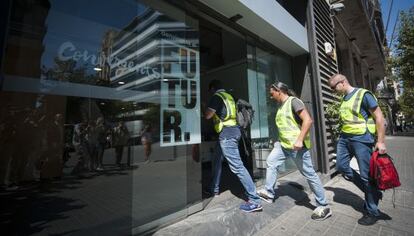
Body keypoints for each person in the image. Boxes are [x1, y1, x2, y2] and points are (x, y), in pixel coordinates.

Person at [256, 82, 332, 220]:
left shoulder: (294, 102)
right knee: (271, 162)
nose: (271, 96)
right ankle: (269, 192)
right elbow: (286, 126)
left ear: (279, 91)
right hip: (284, 146)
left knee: (309, 174)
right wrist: (278, 140)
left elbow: (308, 120)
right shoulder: (281, 107)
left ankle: (323, 205)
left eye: (272, 93)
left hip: (297, 148)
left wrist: (299, 139)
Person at [328, 74, 386, 226]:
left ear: (342, 82)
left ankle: (373, 211)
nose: (334, 91)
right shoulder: (344, 98)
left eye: (334, 88)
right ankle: (373, 193)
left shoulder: (363, 94)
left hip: (361, 139)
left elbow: (379, 117)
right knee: (341, 166)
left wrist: (380, 141)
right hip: (345, 138)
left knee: (367, 176)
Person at [204, 79, 262, 212]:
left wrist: (203, 107)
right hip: (232, 132)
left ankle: (255, 200)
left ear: (212, 89)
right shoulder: (230, 97)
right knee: (217, 160)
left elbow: (208, 115)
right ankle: (214, 188)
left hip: (227, 134)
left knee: (237, 167)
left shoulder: (217, 97)